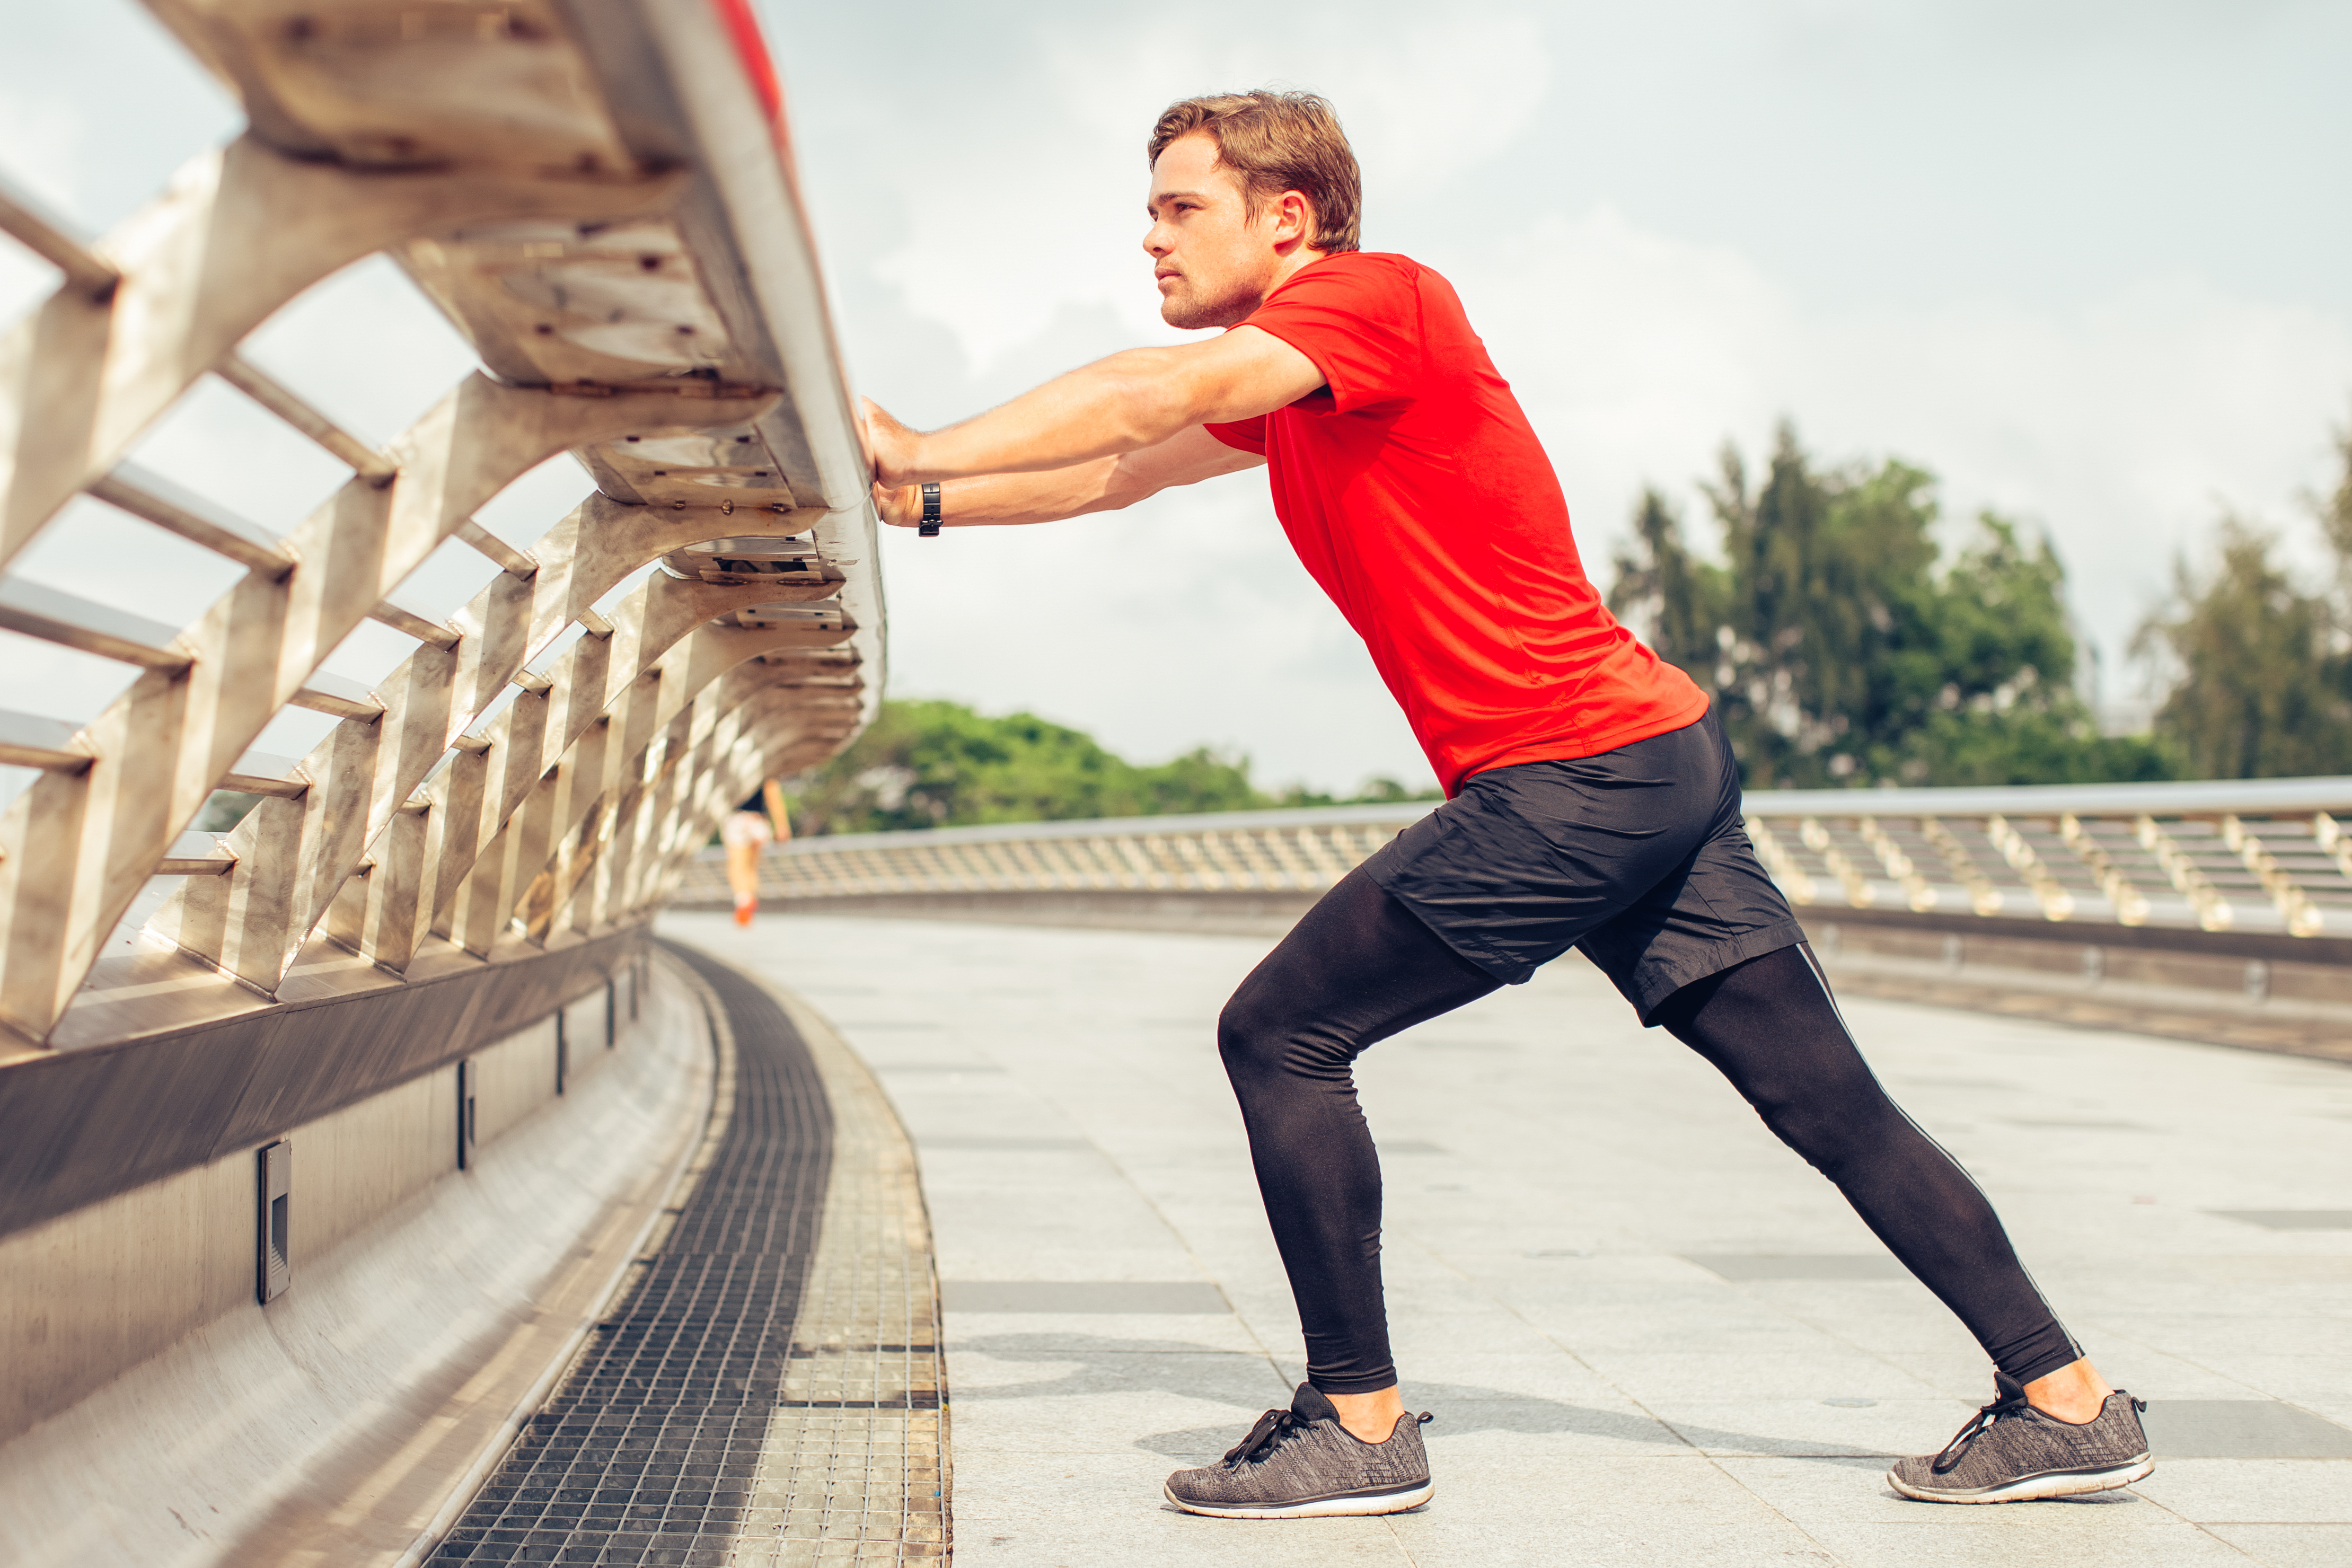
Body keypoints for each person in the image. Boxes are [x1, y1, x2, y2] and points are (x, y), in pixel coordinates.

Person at [862, 90, 2151, 1519]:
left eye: (1179, 207)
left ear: (1283, 217)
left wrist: (926, 436)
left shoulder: (1372, 301)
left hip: (1570, 778)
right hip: (1646, 754)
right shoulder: (1295, 393)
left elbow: (1150, 396)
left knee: (1279, 1032)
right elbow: (1117, 471)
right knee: (1820, 1098)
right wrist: (917, 498)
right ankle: (2063, 1396)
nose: (1149, 238)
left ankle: (1356, 1420)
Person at [722, 779, 791, 927]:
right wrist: (782, 824)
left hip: (738, 819)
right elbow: (773, 795)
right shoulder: (766, 769)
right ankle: (749, 898)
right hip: (758, 822)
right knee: (752, 867)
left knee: (737, 865)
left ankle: (743, 900)